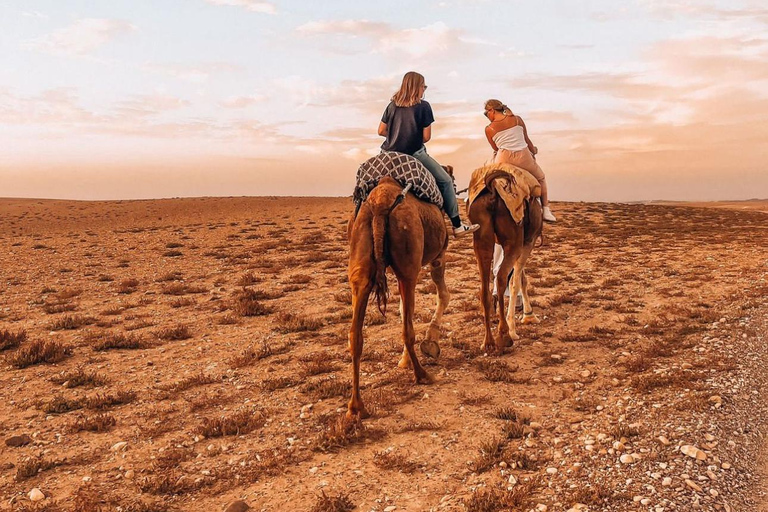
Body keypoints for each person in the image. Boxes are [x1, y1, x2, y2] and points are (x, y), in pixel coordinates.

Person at [378, 72, 479, 237]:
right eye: (423, 86)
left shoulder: (391, 106)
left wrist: (396, 134)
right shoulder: (423, 106)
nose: (424, 89)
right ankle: (457, 225)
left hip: (388, 155)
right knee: (445, 181)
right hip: (414, 154)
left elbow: (381, 131)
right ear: (417, 87)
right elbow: (426, 137)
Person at [483, 99, 556, 222]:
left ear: (492, 110)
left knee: (486, 176)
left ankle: (473, 197)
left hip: (504, 159)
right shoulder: (517, 119)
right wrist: (534, 150)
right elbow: (527, 140)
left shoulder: (489, 128)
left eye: (486, 114)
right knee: (541, 178)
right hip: (524, 157)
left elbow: (496, 147)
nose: (487, 116)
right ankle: (546, 209)